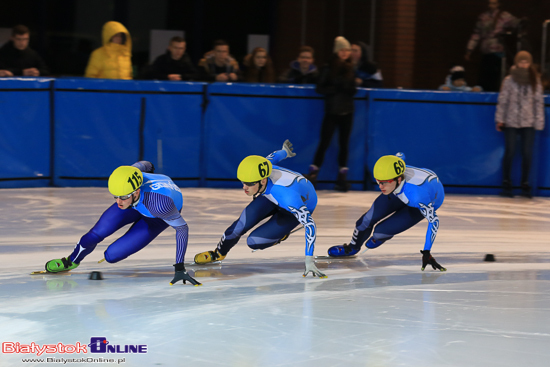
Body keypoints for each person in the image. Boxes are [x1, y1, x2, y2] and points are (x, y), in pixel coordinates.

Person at [43, 161, 200, 286]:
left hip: (156, 218)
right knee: (96, 233)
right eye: (115, 196)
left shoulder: (160, 205)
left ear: (136, 192)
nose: (118, 202)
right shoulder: (131, 175)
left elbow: (182, 229)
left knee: (111, 256)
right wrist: (129, 194)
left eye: (122, 197)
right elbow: (146, 164)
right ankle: (71, 261)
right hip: (136, 203)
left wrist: (179, 267)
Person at [194, 140, 326, 278]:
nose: (244, 187)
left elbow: (310, 225)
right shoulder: (263, 168)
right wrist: (285, 152)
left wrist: (309, 260)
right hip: (271, 196)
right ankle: (219, 253)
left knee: (254, 241)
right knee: (238, 226)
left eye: (249, 184)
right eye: (243, 182)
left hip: (291, 208)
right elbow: (273, 157)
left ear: (262, 180)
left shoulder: (288, 197)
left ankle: (281, 233)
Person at [327, 154, 447, 272]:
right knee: (365, 221)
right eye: (378, 182)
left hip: (427, 198)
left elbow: (434, 221)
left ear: (398, 179)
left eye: (384, 182)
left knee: (380, 232)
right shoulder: (392, 178)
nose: (380, 186)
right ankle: (352, 247)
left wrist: (427, 251)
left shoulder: (417, 196)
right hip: (400, 189)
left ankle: (381, 236)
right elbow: (400, 156)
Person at [305, 36, 357, 192]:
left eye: (347, 50)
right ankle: (313, 175)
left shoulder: (350, 68)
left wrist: (347, 88)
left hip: (347, 111)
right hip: (332, 110)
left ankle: (342, 178)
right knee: (324, 142)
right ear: (336, 51)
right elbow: (319, 88)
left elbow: (353, 90)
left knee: (344, 144)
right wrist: (334, 90)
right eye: (342, 50)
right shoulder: (328, 68)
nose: (345, 53)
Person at [495, 51, 545, 198]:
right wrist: (500, 119)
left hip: (528, 122)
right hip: (511, 120)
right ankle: (506, 182)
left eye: (526, 62)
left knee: (527, 153)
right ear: (517, 62)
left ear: (530, 63)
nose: (524, 64)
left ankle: (525, 182)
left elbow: (538, 102)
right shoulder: (509, 80)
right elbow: (503, 100)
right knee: (510, 151)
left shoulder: (535, 80)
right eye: (521, 62)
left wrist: (539, 122)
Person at [465, 0, 519, 92]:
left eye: (494, 3)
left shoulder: (504, 16)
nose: (491, 5)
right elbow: (476, 34)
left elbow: (517, 24)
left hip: (497, 51)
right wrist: (469, 49)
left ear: (498, 4)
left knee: (496, 77)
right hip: (485, 51)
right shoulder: (483, 17)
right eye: (490, 3)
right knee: (484, 77)